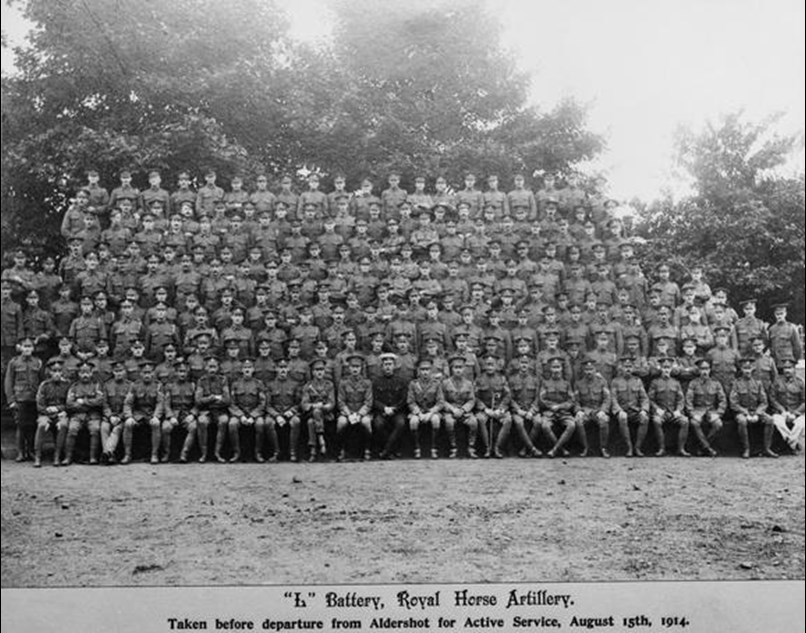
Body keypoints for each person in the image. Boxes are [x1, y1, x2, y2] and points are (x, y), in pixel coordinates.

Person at [4, 337, 43, 461]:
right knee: (21, 426)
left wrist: (41, 399)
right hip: (20, 398)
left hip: (33, 398)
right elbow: (8, 382)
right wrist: (11, 400)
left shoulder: (37, 362)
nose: (27, 349)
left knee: (32, 426)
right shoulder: (14, 362)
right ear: (20, 347)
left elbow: (42, 383)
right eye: (25, 346)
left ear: (33, 348)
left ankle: (31, 450)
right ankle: (20, 452)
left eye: (29, 347)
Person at [730, 356, 776, 459]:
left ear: (753, 369)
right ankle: (746, 449)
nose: (747, 371)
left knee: (770, 420)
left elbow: (764, 402)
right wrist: (745, 412)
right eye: (745, 368)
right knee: (742, 421)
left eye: (749, 368)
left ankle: (767, 448)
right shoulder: (736, 383)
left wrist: (757, 413)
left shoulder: (758, 383)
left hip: (756, 411)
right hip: (741, 412)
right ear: (741, 370)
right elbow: (733, 403)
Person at [647, 356, 689, 456]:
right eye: (664, 367)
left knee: (685, 421)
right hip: (661, 412)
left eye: (668, 368)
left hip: (673, 412)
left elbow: (680, 399)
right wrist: (657, 409)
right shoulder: (655, 382)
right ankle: (661, 448)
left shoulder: (676, 382)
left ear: (671, 369)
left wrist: (678, 410)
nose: (666, 370)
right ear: (661, 368)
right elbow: (650, 399)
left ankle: (681, 449)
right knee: (656, 421)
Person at [64, 360, 104, 465]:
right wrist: (89, 404)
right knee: (72, 429)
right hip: (77, 415)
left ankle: (93, 457)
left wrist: (83, 402)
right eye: (82, 372)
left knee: (95, 429)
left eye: (87, 372)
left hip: (93, 415)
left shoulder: (97, 385)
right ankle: (68, 457)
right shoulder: (74, 386)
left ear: (91, 373)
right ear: (78, 373)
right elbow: (69, 404)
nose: (85, 375)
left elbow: (99, 401)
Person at [227, 358, 267, 463]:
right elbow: (232, 403)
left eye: (249, 368)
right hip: (239, 413)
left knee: (260, 424)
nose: (247, 370)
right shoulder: (235, 384)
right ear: (241, 370)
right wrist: (241, 416)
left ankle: (258, 452)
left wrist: (253, 416)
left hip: (255, 413)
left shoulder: (259, 384)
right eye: (245, 368)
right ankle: (236, 452)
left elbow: (262, 403)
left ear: (253, 369)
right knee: (232, 424)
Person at [685, 357, 726, 457]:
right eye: (702, 369)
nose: (705, 372)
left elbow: (722, 400)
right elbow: (689, 400)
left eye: (707, 369)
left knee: (718, 424)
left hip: (711, 410)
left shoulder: (716, 384)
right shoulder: (693, 383)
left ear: (710, 370)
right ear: (699, 370)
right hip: (698, 409)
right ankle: (708, 448)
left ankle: (703, 447)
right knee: (694, 423)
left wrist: (718, 413)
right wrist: (692, 413)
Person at [33, 358, 71, 467]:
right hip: (45, 414)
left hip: (61, 414)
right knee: (42, 425)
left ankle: (57, 455)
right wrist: (48, 412)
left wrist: (59, 410)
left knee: (63, 425)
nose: (57, 374)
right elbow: (39, 404)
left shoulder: (67, 385)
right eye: (54, 371)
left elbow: (69, 403)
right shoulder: (44, 386)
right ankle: (38, 456)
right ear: (50, 372)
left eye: (59, 371)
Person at [371, 352, 409, 459]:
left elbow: (404, 399)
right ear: (382, 367)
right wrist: (384, 408)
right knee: (378, 424)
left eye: (390, 364)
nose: (388, 367)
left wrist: (394, 409)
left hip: (397, 411)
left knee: (401, 423)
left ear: (394, 366)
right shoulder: (376, 382)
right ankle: (392, 450)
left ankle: (386, 450)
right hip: (381, 411)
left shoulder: (401, 381)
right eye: (385, 364)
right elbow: (374, 399)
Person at [611, 356, 651, 457]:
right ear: (621, 368)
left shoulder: (638, 381)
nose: (627, 369)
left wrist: (644, 410)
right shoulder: (615, 381)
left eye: (630, 367)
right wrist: (619, 411)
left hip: (634, 411)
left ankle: (637, 447)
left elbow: (644, 398)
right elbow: (613, 399)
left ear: (633, 368)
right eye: (625, 367)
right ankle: (629, 447)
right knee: (622, 417)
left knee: (644, 418)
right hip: (622, 411)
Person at [537, 356, 577, 457]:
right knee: (545, 426)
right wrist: (551, 407)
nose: (556, 370)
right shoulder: (545, 383)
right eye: (554, 367)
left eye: (558, 367)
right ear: (550, 369)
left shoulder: (566, 384)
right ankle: (561, 449)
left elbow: (571, 401)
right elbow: (542, 399)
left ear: (562, 368)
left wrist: (560, 406)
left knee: (571, 425)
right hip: (549, 413)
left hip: (564, 412)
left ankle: (555, 449)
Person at [336, 353, 373, 461]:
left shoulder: (367, 383)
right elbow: (341, 401)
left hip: (362, 412)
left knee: (366, 422)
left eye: (357, 367)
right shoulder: (343, 383)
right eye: (353, 367)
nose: (355, 369)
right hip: (347, 412)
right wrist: (349, 414)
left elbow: (368, 402)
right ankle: (341, 450)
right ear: (349, 368)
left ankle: (367, 450)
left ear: (361, 368)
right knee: (341, 423)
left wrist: (359, 414)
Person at [194, 355, 230, 463]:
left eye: (214, 367)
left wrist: (208, 400)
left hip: (220, 411)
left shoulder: (223, 380)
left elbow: (227, 400)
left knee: (224, 421)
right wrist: (213, 398)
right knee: (201, 421)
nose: (212, 370)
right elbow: (198, 400)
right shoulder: (201, 381)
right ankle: (204, 453)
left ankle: (217, 453)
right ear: (205, 367)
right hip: (206, 411)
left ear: (218, 368)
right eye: (210, 367)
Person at [574, 356, 612, 457]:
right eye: (586, 369)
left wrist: (603, 410)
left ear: (595, 370)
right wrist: (578, 410)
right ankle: (585, 448)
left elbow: (607, 398)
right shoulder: (578, 383)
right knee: (578, 421)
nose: (589, 372)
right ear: (583, 370)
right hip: (585, 411)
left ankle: (603, 448)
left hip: (598, 410)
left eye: (591, 369)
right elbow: (576, 401)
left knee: (604, 420)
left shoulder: (602, 382)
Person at [474, 353, 511, 458]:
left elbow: (508, 395)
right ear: (484, 366)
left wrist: (501, 409)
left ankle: (497, 447)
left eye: (492, 365)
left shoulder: (502, 379)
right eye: (488, 364)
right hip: (485, 410)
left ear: (496, 366)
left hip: (498, 410)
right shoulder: (479, 379)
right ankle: (487, 448)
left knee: (508, 420)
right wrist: (485, 409)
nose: (490, 367)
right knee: (480, 419)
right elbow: (475, 397)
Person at [265, 358, 302, 462]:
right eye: (280, 368)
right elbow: (267, 405)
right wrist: (276, 416)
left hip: (289, 412)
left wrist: (291, 412)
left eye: (285, 367)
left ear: (288, 369)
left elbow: (298, 403)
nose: (283, 370)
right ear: (276, 369)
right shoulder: (270, 384)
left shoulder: (294, 384)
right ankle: (276, 452)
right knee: (268, 423)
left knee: (296, 422)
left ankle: (293, 452)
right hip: (275, 413)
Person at [406, 358, 444, 458]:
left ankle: (433, 448)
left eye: (427, 369)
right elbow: (410, 401)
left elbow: (440, 402)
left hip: (432, 411)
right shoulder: (413, 384)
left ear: (431, 370)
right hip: (418, 411)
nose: (425, 372)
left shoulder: (436, 383)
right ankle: (417, 448)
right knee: (413, 422)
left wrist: (431, 413)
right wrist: (419, 413)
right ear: (418, 370)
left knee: (436, 420)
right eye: (423, 370)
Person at [301, 357, 335, 462]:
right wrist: (314, 406)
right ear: (312, 372)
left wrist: (323, 407)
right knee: (314, 414)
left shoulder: (329, 385)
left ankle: (313, 451)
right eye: (317, 370)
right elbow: (304, 404)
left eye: (321, 370)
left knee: (311, 423)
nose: (319, 372)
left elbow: (331, 403)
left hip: (326, 414)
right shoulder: (308, 386)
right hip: (312, 413)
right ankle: (321, 442)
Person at [100, 359, 134, 464]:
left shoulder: (130, 385)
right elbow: (104, 403)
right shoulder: (107, 385)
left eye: (120, 371)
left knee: (117, 428)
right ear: (112, 372)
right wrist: (110, 416)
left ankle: (108, 452)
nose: (118, 373)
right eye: (116, 371)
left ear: (124, 372)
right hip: (110, 416)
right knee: (104, 427)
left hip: (123, 416)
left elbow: (130, 404)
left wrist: (120, 417)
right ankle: (110, 455)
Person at [769, 357, 805, 453]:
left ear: (794, 369)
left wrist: (795, 413)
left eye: (790, 368)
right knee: (777, 421)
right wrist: (782, 411)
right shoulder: (777, 382)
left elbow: (804, 401)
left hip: (797, 413)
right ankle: (794, 444)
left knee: (801, 424)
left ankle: (789, 443)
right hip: (781, 412)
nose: (787, 370)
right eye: (785, 368)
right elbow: (773, 399)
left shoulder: (800, 383)